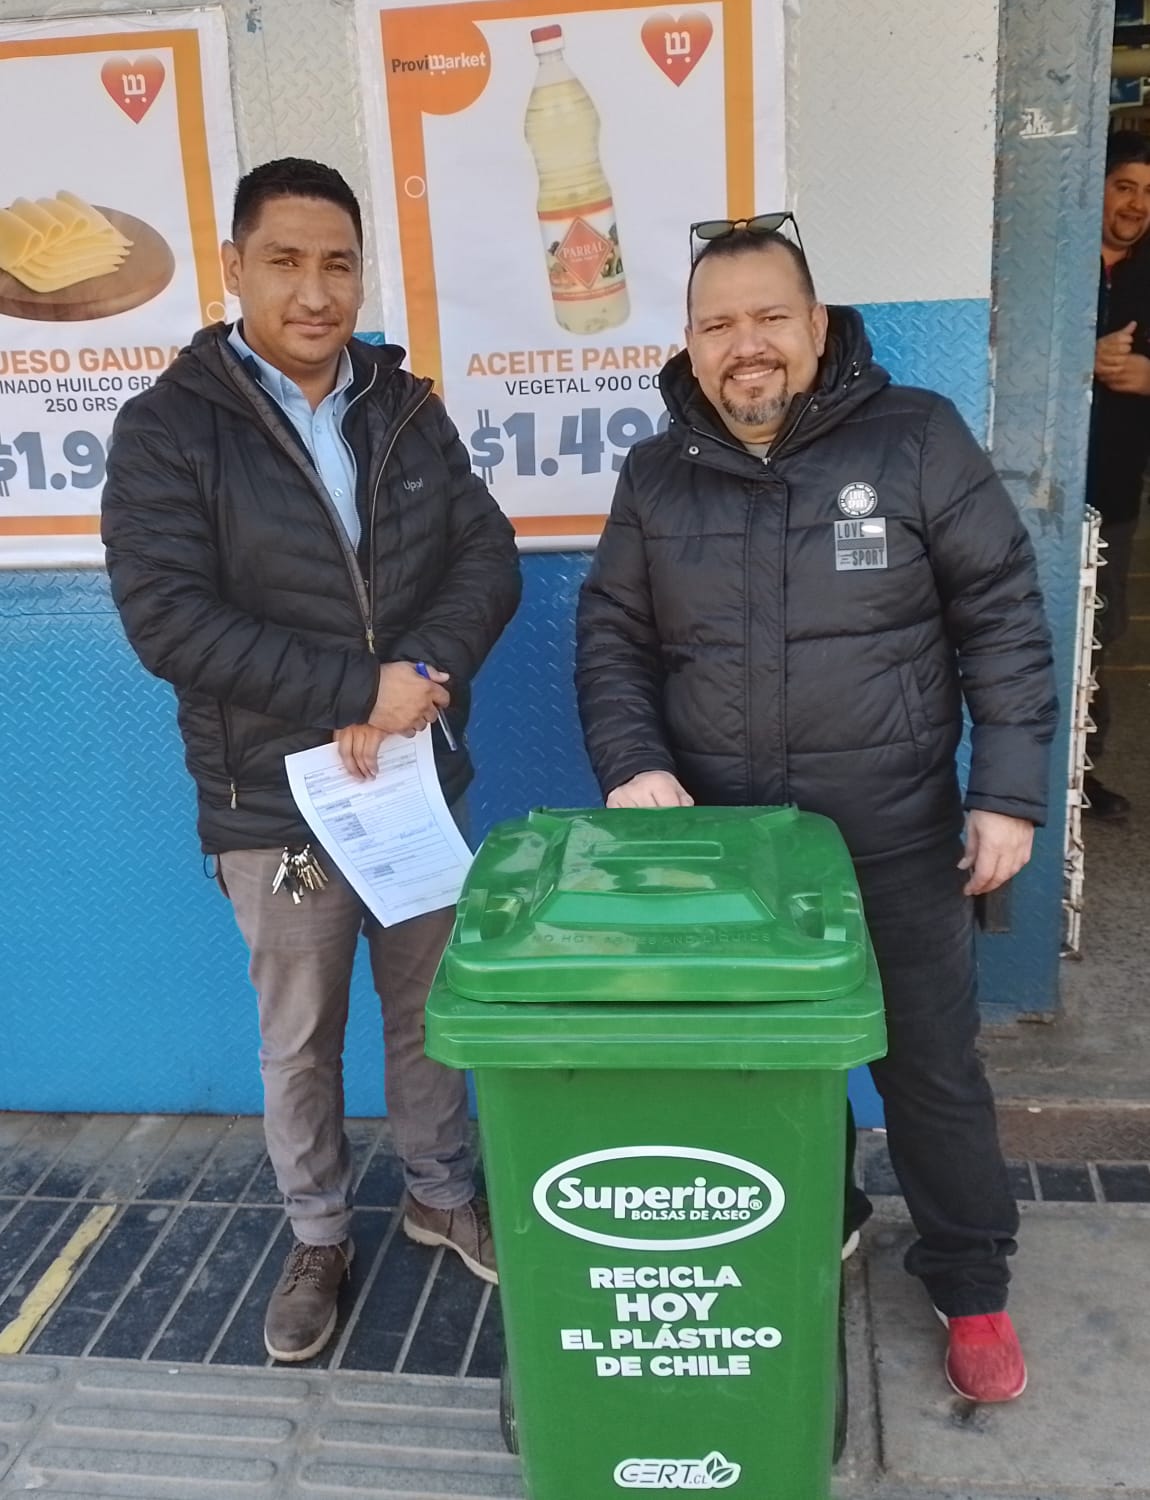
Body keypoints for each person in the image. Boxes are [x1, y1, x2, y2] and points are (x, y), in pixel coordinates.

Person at [575, 218, 1057, 1404]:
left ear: (818, 324)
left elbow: (1001, 614)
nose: (745, 344)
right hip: (725, 854)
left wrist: (1004, 791)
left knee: (929, 1072)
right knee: (754, 1064)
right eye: (717, 324)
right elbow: (613, 636)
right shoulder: (656, 474)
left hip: (890, 838)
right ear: (689, 342)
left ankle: (970, 1280)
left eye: (768, 317)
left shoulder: (916, 437)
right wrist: (633, 763)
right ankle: (812, 1211)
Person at [102, 158, 522, 1363]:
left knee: (431, 1009)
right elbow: (169, 622)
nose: (315, 290)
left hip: (409, 779)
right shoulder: (170, 430)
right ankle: (319, 1232)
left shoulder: (403, 406)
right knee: (300, 1035)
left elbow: (484, 558)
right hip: (272, 801)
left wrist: (416, 678)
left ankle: (440, 1193)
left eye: (338, 263)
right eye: (284, 261)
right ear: (233, 268)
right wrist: (355, 691)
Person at [1083, 131, 1150, 820]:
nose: (1137, 204)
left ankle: (1082, 774)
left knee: (1099, 635)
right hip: (1039, 489)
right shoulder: (1055, 261)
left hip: (1116, 492)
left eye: (1149, 193)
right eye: (1125, 186)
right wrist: (1086, 356)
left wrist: (1145, 374)